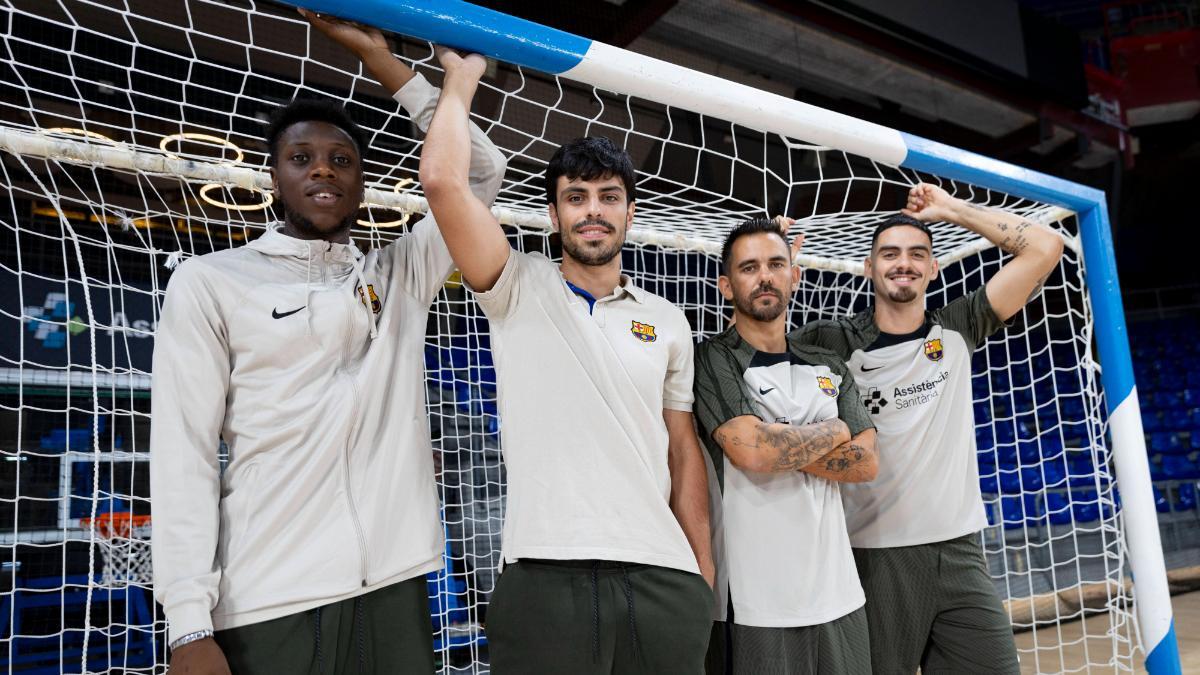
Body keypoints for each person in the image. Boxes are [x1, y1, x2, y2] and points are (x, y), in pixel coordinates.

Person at [149, 12, 506, 674]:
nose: (324, 171)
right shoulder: (211, 282)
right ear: (274, 176)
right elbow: (185, 455)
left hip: (396, 588)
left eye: (342, 160)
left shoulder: (398, 274)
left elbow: (479, 173)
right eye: (302, 158)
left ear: (362, 181)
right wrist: (187, 623)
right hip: (272, 597)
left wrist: (392, 66)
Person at [418, 48, 714, 674]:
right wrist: (461, 78)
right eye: (576, 198)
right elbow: (444, 182)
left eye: (609, 197)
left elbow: (682, 449)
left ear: (630, 211)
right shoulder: (514, 283)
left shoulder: (666, 319)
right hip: (544, 573)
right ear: (553, 216)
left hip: (663, 577)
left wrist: (701, 574)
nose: (593, 211)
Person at [791, 183, 1065, 673]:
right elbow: (748, 346)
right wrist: (776, 269)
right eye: (890, 254)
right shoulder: (834, 340)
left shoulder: (959, 326)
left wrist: (952, 210)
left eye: (918, 254)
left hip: (961, 555)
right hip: (875, 559)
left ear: (933, 267)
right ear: (870, 267)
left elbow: (1045, 247)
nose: (904, 263)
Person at [693, 217, 878, 675]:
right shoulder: (713, 358)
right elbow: (752, 453)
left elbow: (867, 462)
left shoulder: (828, 363)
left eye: (777, 263)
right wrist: (833, 430)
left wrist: (781, 444)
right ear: (726, 285)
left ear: (795, 275)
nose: (765, 276)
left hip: (839, 595)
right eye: (749, 267)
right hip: (755, 604)